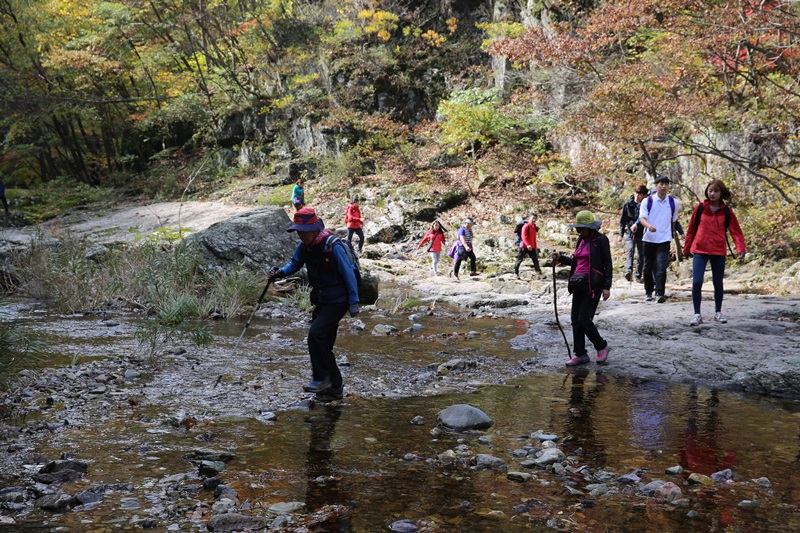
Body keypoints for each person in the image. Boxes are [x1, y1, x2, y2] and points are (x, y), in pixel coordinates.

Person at [269, 207, 360, 402]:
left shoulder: (332, 245)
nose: (300, 235)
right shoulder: (305, 247)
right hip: (320, 300)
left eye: (303, 231)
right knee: (323, 345)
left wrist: (353, 302)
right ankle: (335, 388)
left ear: (314, 229)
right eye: (298, 231)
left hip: (338, 300)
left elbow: (348, 274)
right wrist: (279, 273)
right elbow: (294, 264)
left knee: (315, 336)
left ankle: (321, 379)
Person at [552, 210, 613, 367]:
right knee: (575, 321)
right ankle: (580, 354)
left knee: (584, 320)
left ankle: (601, 346)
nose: (579, 230)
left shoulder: (601, 240)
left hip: (593, 284)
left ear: (591, 227)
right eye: (578, 228)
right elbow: (575, 261)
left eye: (582, 228)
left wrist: (607, 286)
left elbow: (607, 264)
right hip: (578, 283)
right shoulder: (581, 240)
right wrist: (560, 258)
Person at [682, 179, 746, 326]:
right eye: (710, 191)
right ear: (707, 192)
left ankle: (718, 312)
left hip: (718, 250)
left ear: (721, 193)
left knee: (718, 282)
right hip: (700, 249)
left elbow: (736, 232)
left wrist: (740, 248)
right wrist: (686, 249)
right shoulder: (699, 209)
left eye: (716, 191)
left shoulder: (726, 211)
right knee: (697, 282)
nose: (712, 194)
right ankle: (697, 314)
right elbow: (691, 230)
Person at [638, 175, 680, 303]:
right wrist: (649, 226)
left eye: (666, 184)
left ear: (668, 187)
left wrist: (667, 232)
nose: (663, 186)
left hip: (664, 239)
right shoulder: (648, 201)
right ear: (656, 186)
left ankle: (659, 294)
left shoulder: (673, 203)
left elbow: (673, 221)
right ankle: (648, 292)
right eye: (661, 184)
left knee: (661, 267)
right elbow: (642, 219)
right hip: (649, 239)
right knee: (647, 267)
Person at [618, 184, 648, 282]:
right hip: (630, 232)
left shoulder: (646, 205)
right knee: (630, 250)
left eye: (640, 194)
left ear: (644, 195)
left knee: (641, 253)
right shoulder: (628, 204)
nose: (637, 195)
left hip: (642, 232)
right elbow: (622, 220)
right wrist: (620, 234)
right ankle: (628, 271)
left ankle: (638, 275)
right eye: (636, 193)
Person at [514, 212, 544, 279]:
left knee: (535, 260)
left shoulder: (534, 227)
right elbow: (523, 236)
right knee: (519, 260)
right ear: (529, 218)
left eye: (535, 219)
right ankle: (515, 273)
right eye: (533, 218)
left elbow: (534, 238)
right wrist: (528, 245)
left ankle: (538, 273)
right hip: (524, 247)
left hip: (532, 247)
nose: (534, 220)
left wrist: (535, 246)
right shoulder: (526, 226)